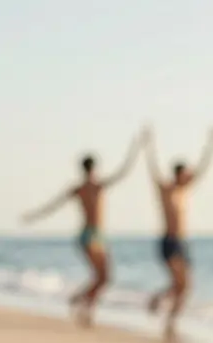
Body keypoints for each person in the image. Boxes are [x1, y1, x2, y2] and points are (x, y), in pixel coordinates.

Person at [20, 131, 143, 327]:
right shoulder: (88, 188)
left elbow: (52, 206)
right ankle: (83, 304)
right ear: (93, 168)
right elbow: (123, 172)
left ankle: (83, 302)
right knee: (102, 277)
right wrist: (135, 149)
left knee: (104, 277)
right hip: (89, 236)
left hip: (97, 236)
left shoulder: (91, 187)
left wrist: (33, 216)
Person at [142, 125, 213, 343]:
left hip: (183, 243)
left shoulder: (184, 191)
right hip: (170, 242)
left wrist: (210, 145)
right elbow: (153, 168)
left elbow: (202, 169)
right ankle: (168, 319)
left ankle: (164, 309)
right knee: (181, 285)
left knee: (184, 287)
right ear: (178, 173)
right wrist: (149, 145)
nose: (188, 176)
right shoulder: (166, 190)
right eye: (185, 173)